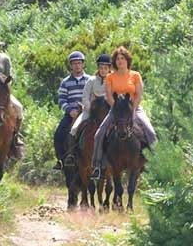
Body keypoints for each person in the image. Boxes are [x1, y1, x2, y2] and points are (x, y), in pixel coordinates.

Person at [90, 46, 157, 180]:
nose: (120, 61)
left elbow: (138, 94)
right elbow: (108, 96)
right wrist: (117, 109)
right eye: (117, 59)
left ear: (127, 60)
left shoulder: (135, 75)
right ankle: (97, 166)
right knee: (99, 134)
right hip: (115, 110)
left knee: (151, 132)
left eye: (122, 58)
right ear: (114, 62)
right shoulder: (110, 77)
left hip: (134, 108)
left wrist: (131, 110)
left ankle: (155, 164)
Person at [53, 51, 90, 170]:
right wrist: (69, 110)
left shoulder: (90, 80)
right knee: (58, 134)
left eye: (79, 63)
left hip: (87, 113)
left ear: (83, 64)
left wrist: (87, 107)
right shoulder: (65, 82)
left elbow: (94, 96)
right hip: (72, 113)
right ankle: (61, 160)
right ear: (71, 65)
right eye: (74, 64)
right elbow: (62, 100)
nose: (77, 66)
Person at [69, 53, 112, 150]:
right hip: (90, 111)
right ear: (98, 68)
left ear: (109, 69)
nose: (103, 70)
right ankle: (71, 154)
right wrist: (90, 108)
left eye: (105, 68)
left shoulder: (112, 81)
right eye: (101, 68)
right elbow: (85, 97)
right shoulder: (91, 80)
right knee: (74, 129)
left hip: (108, 113)